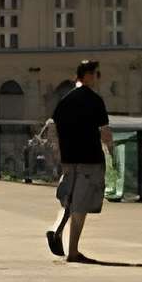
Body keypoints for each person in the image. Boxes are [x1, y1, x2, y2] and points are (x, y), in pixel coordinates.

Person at [41, 59, 113, 262]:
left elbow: (52, 127)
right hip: (89, 159)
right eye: (97, 75)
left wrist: (58, 154)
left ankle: (55, 229)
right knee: (80, 206)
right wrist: (112, 152)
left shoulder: (65, 99)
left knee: (69, 201)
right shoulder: (95, 100)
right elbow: (105, 133)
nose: (98, 79)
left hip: (69, 159)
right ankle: (73, 251)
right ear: (89, 76)